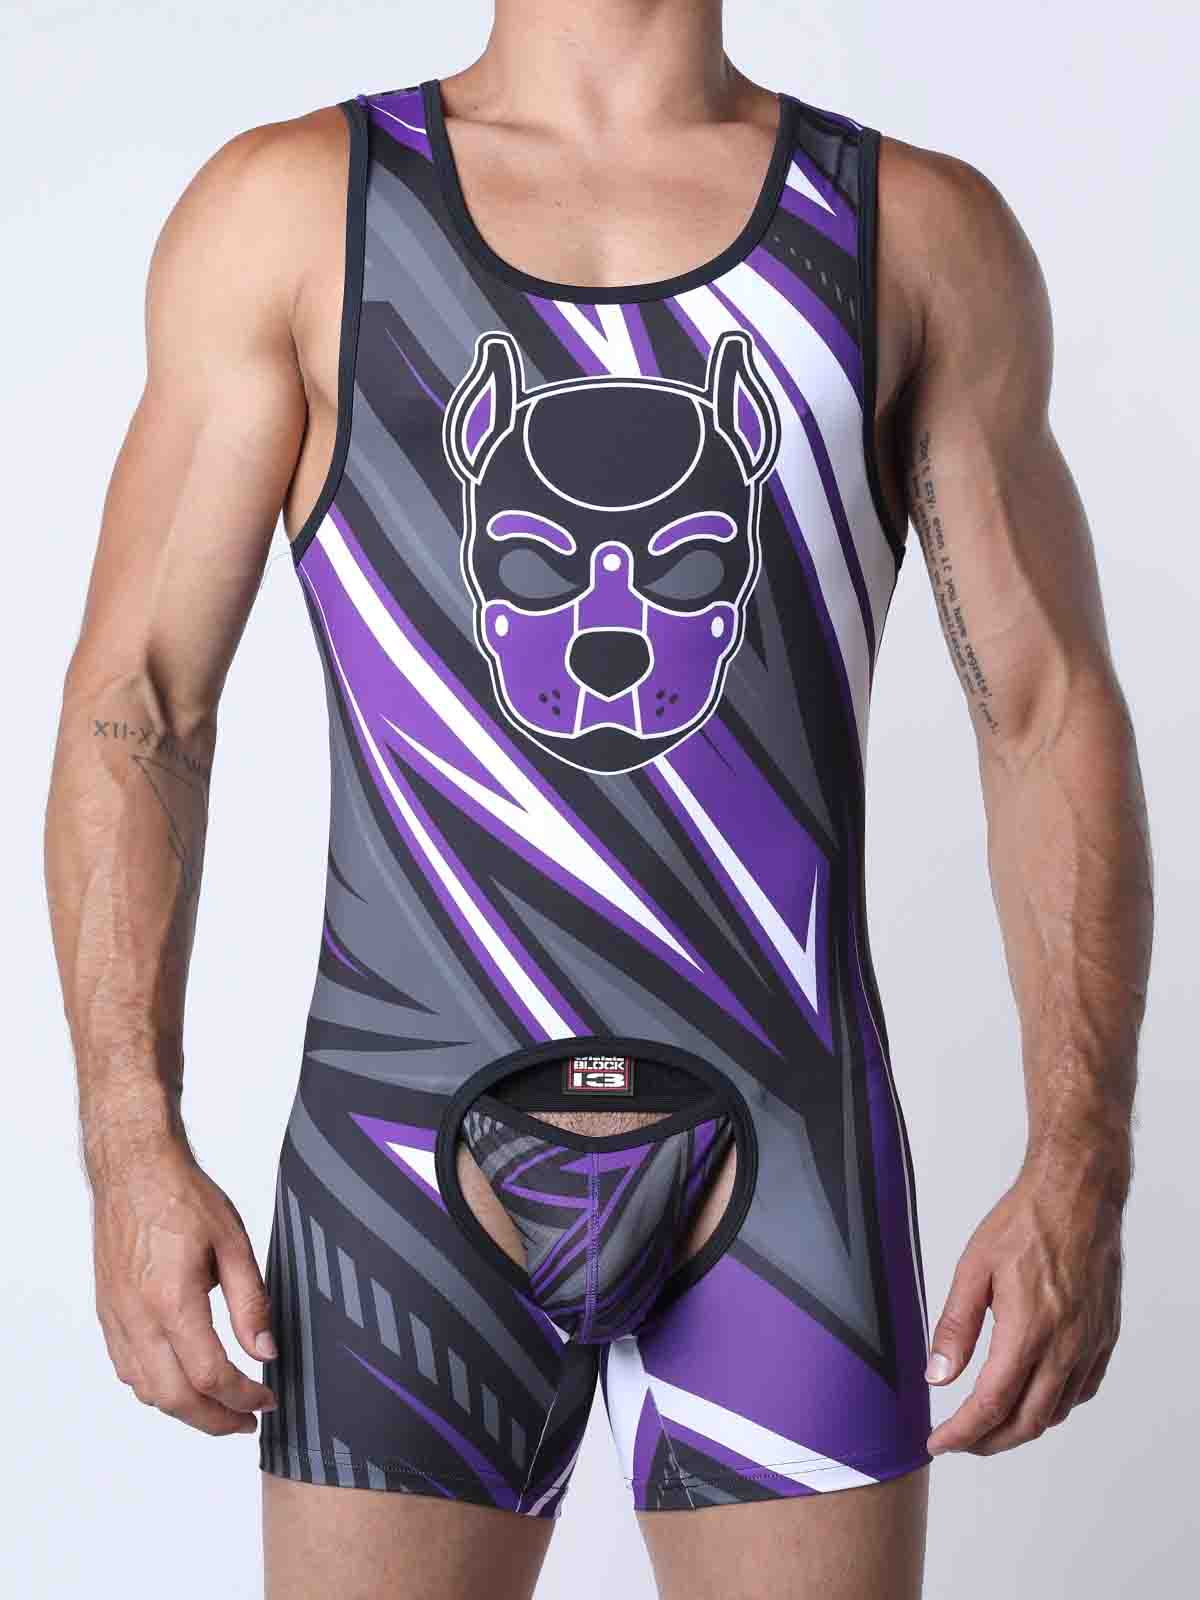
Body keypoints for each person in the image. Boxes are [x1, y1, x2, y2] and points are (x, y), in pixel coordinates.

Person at [44, 3, 1152, 1597]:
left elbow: (1045, 714)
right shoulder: (299, 215)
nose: (614, 630)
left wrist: (1079, 1163)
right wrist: (129, 1144)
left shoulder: (910, 236)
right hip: (407, 1144)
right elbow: (139, 706)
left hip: (785, 1155)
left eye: (673, 580)